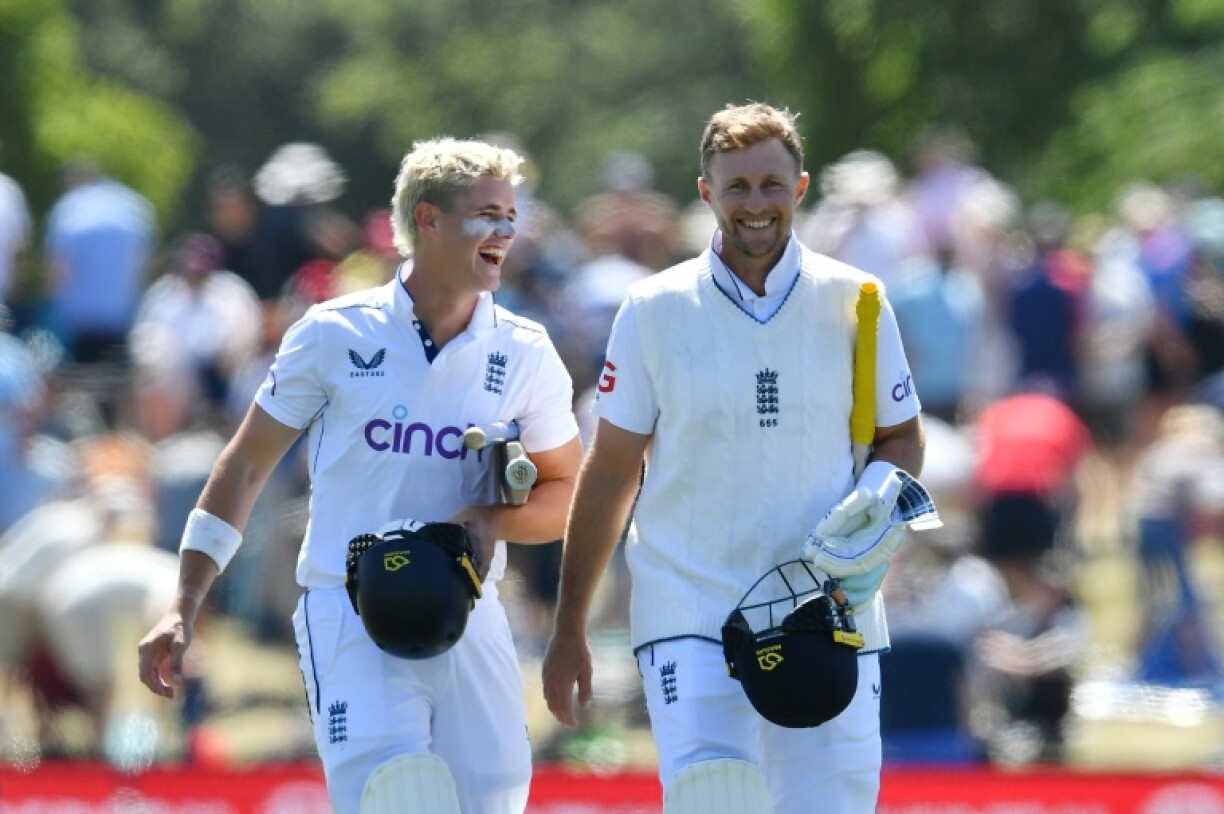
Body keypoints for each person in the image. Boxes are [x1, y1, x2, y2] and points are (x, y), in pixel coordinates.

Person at [138, 137, 583, 814]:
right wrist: (184, 601)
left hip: (470, 613)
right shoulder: (333, 331)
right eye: (486, 213)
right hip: (349, 613)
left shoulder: (525, 351)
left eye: (510, 215)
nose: (505, 232)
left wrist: (491, 522)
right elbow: (246, 462)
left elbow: (565, 495)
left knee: (491, 803)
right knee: (399, 796)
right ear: (428, 220)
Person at [542, 103, 926, 814]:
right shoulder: (652, 308)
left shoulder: (859, 300)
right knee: (714, 799)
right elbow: (611, 470)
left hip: (827, 611)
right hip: (690, 607)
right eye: (739, 187)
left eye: (771, 185)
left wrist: (873, 506)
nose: (756, 204)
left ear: (801, 189)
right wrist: (570, 628)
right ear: (706, 193)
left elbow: (900, 437)